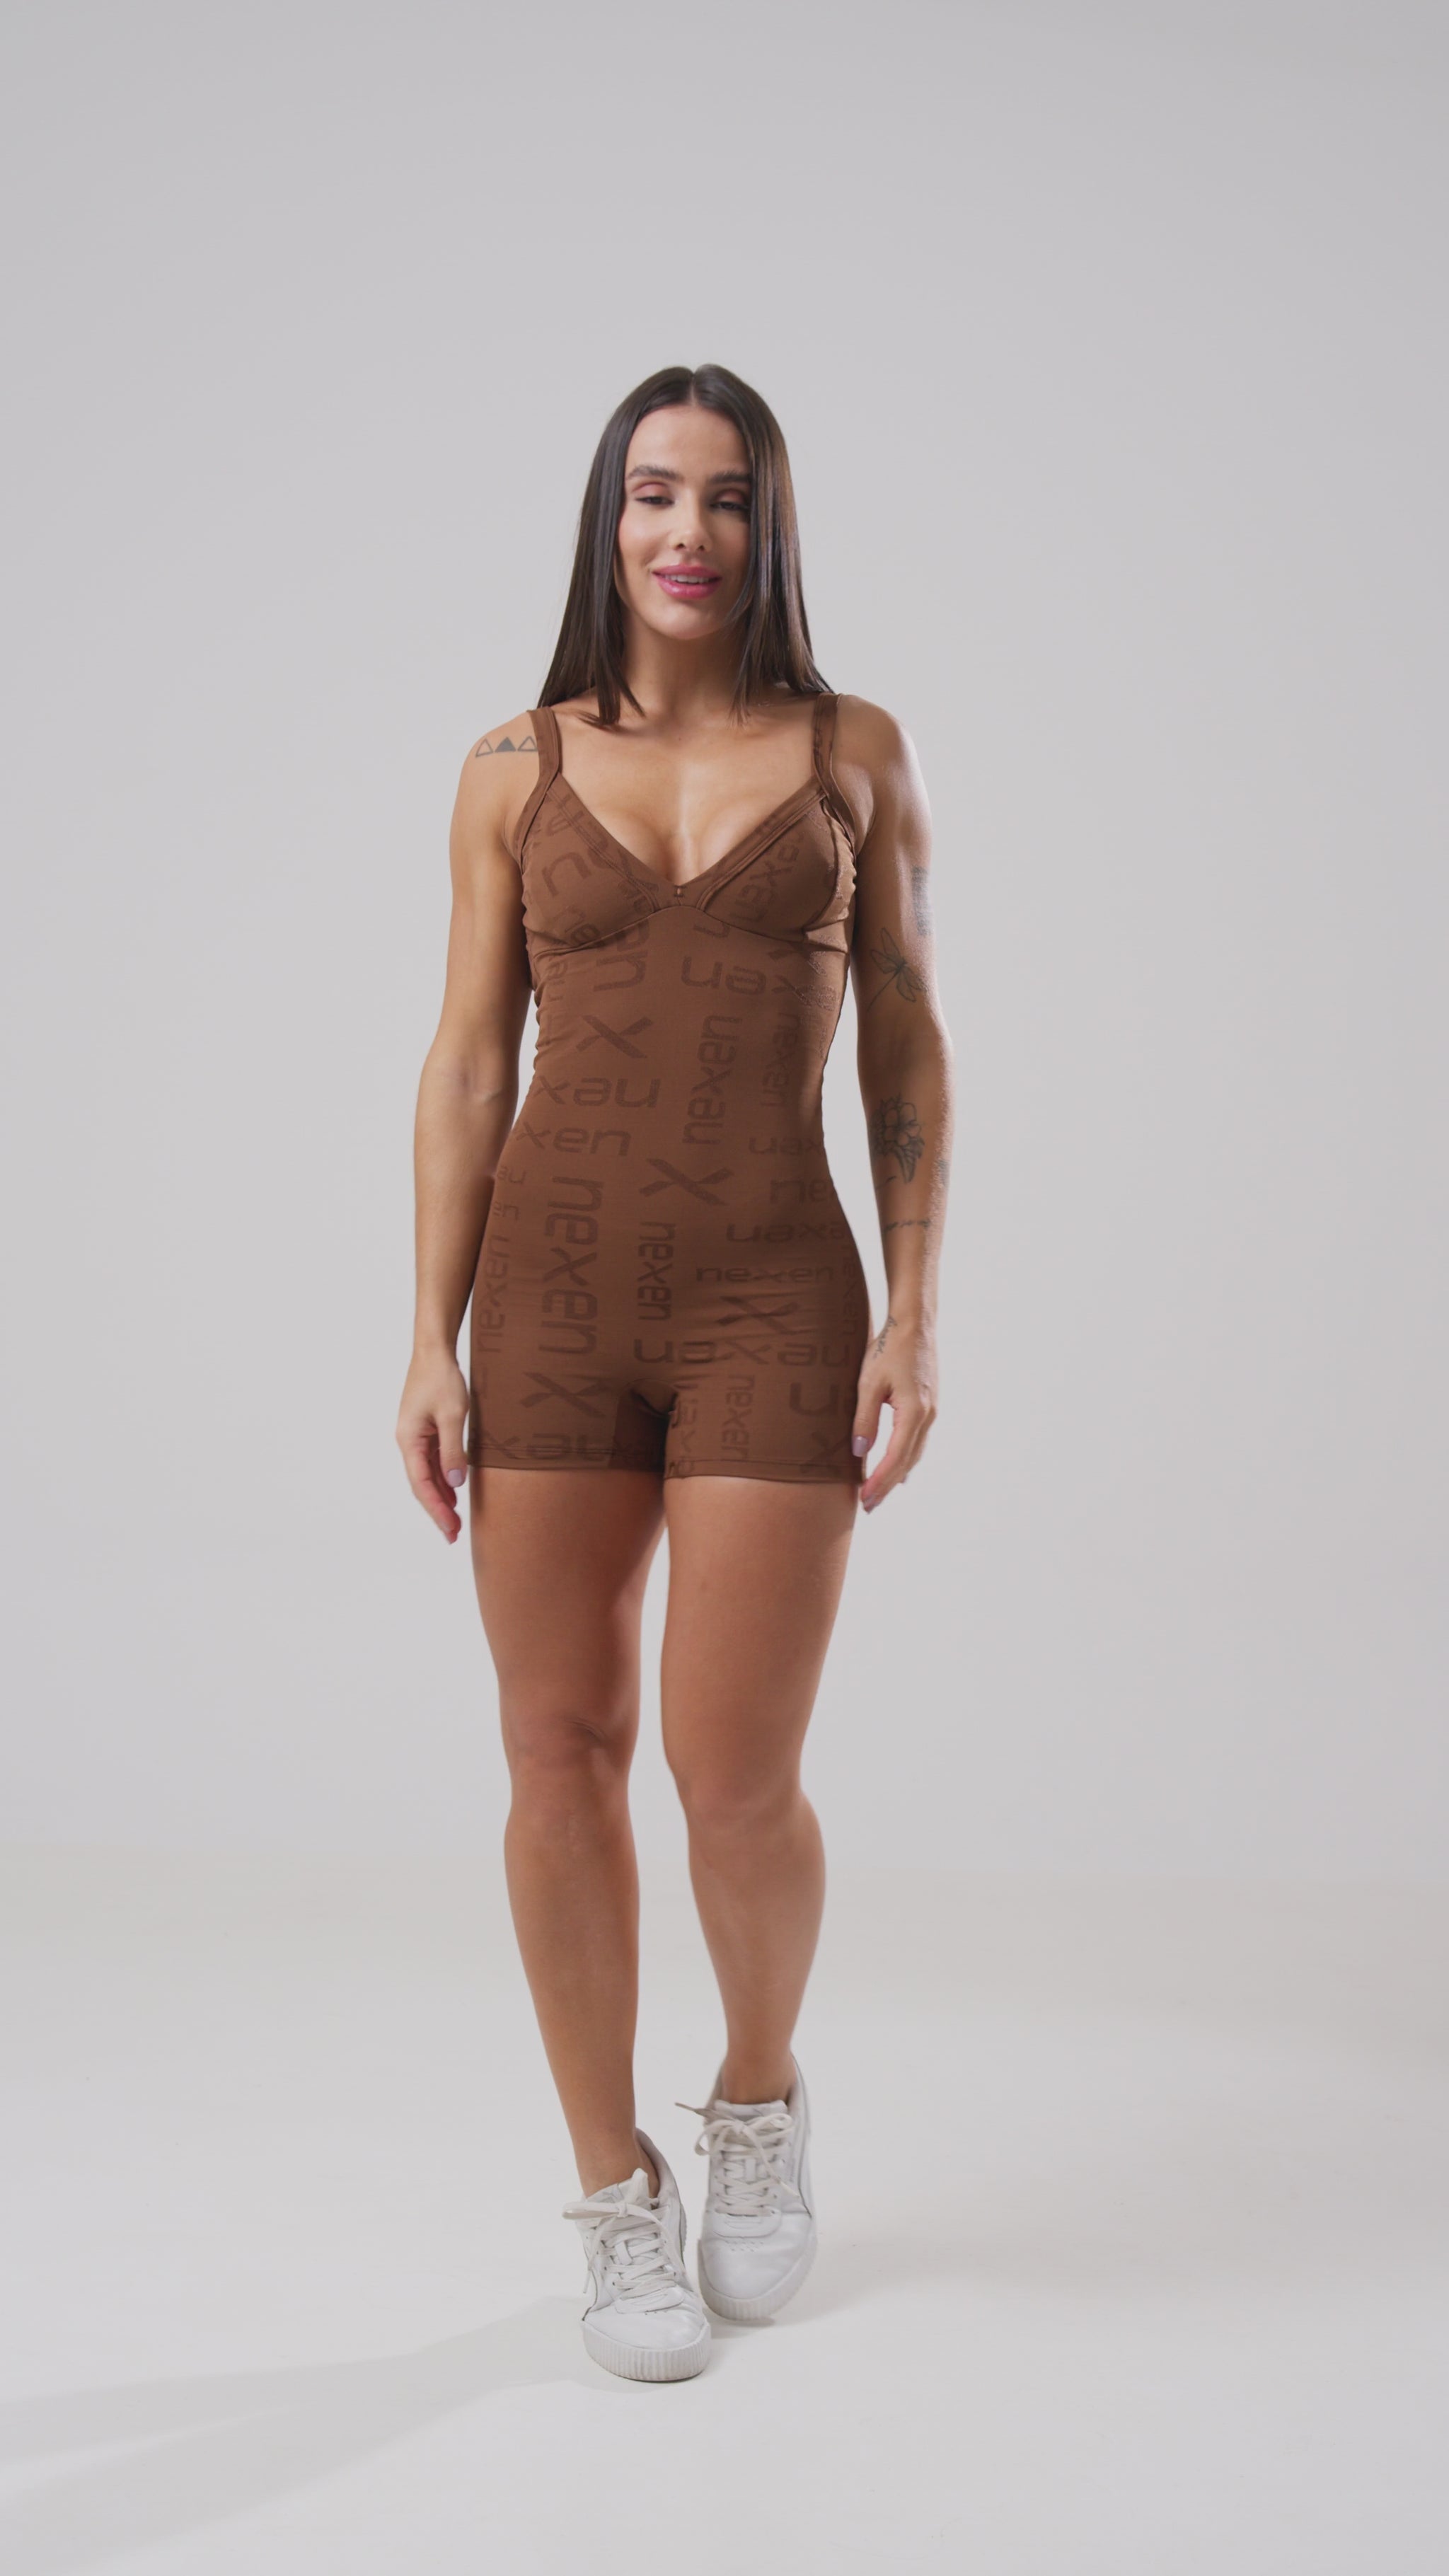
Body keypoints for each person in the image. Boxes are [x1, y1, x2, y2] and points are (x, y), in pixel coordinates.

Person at [396, 363, 952, 2381]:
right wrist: (427, 1332)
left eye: (725, 497)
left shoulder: (853, 752)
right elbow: (471, 1063)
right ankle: (614, 2190)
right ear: (606, 519)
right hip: (548, 1300)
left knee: (736, 1779)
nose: (687, 533)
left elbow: (906, 1038)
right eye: (653, 493)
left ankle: (758, 2092)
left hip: (771, 1302)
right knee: (557, 1748)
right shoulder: (511, 764)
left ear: (769, 525)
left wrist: (913, 1309)